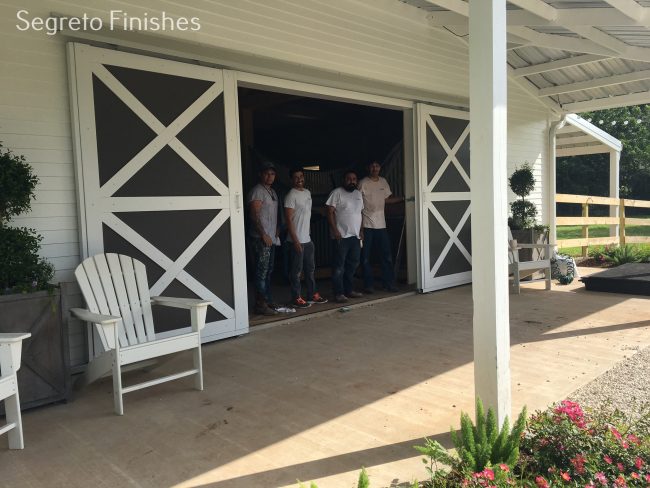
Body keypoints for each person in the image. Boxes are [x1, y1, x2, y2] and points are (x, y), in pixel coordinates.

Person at [284, 167, 328, 309]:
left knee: (310, 270)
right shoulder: (291, 195)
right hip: (296, 241)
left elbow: (306, 215)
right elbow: (289, 220)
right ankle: (296, 298)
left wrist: (307, 235)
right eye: (296, 177)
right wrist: (296, 241)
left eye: (301, 176)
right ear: (292, 179)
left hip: (307, 240)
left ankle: (312, 294)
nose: (299, 179)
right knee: (296, 272)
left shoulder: (308, 193)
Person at [358, 160, 403, 293]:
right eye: (372, 166)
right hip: (366, 225)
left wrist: (403, 198)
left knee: (386, 257)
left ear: (380, 168)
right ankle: (368, 285)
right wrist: (360, 228)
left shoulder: (383, 182)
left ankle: (388, 284)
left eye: (377, 166)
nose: (374, 168)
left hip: (381, 226)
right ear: (368, 168)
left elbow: (386, 200)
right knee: (366, 258)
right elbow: (357, 204)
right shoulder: (363, 183)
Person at [326, 170, 365, 303]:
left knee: (353, 264)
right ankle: (338, 293)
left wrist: (361, 230)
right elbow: (329, 212)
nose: (351, 181)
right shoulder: (336, 193)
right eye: (349, 179)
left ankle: (349, 290)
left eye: (354, 179)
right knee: (339, 266)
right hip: (341, 236)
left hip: (355, 236)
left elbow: (360, 213)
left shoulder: (358, 194)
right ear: (344, 180)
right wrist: (335, 230)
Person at [248, 161, 280, 316]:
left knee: (268, 271)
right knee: (261, 272)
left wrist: (276, 231)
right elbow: (254, 216)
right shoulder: (257, 191)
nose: (270, 176)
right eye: (267, 173)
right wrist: (263, 234)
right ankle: (260, 305)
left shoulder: (272, 191)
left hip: (271, 238)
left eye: (272, 174)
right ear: (260, 174)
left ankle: (267, 300)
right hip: (261, 239)